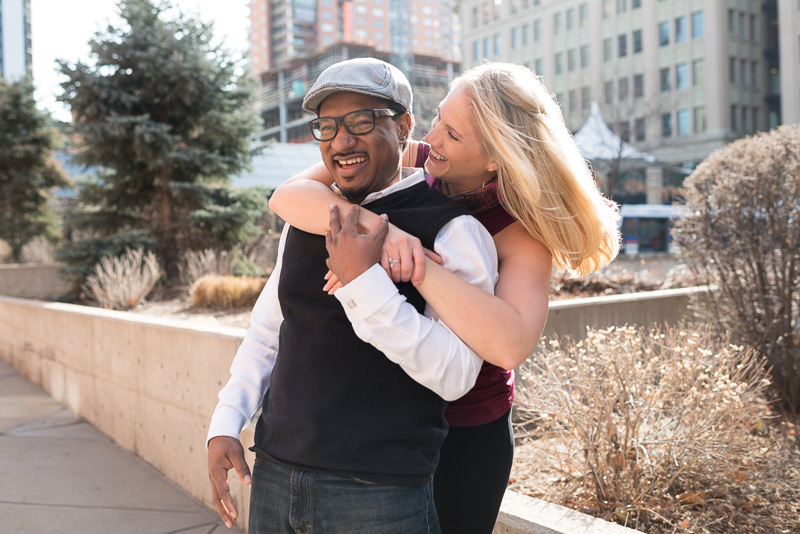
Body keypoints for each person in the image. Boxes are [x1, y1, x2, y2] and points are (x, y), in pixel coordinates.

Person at [268, 62, 621, 533]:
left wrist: (414, 264)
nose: (434, 137)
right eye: (437, 119)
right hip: (387, 422)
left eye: (452, 133)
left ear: (496, 156)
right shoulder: (423, 155)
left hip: (465, 430)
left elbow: (510, 343)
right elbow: (289, 196)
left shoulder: (519, 235)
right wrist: (385, 233)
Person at [206, 57, 499, 534]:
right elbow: (268, 332)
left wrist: (366, 286)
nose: (341, 141)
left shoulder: (452, 232)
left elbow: (456, 375)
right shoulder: (309, 216)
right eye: (327, 126)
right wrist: (226, 419)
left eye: (362, 121)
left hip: (378, 496)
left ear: (404, 126)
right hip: (275, 478)